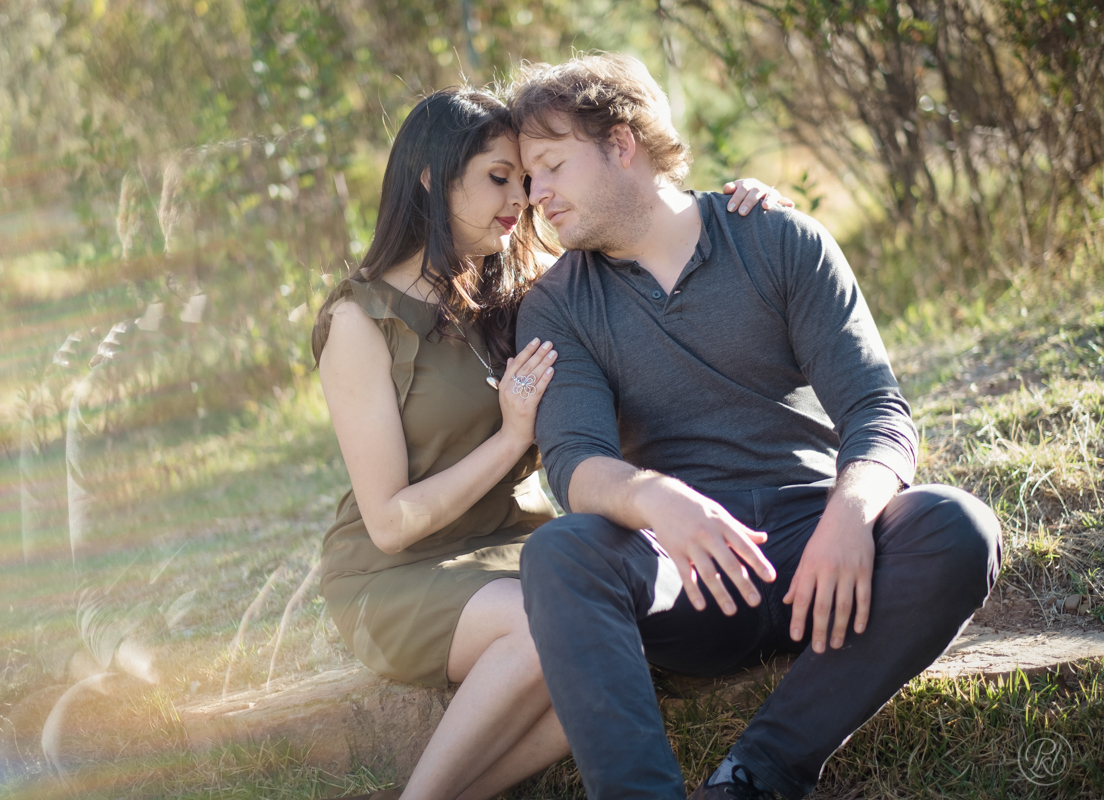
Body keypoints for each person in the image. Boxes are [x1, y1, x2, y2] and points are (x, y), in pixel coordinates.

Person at [508, 54, 1003, 800]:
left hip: (819, 549)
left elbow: (877, 409)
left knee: (958, 526)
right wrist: (658, 501)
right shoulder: (557, 304)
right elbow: (574, 461)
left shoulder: (777, 239)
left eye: (549, 166)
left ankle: (755, 777)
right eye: (526, 177)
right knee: (560, 554)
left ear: (620, 144)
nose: (536, 194)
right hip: (687, 570)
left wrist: (851, 510)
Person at [311, 85, 790, 800]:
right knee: (552, 634)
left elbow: (643, 222)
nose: (522, 198)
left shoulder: (522, 292)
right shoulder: (358, 321)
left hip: (515, 546)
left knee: (607, 656)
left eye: (527, 179)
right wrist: (511, 441)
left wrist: (739, 213)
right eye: (499, 179)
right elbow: (387, 523)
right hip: (394, 577)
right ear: (429, 179)